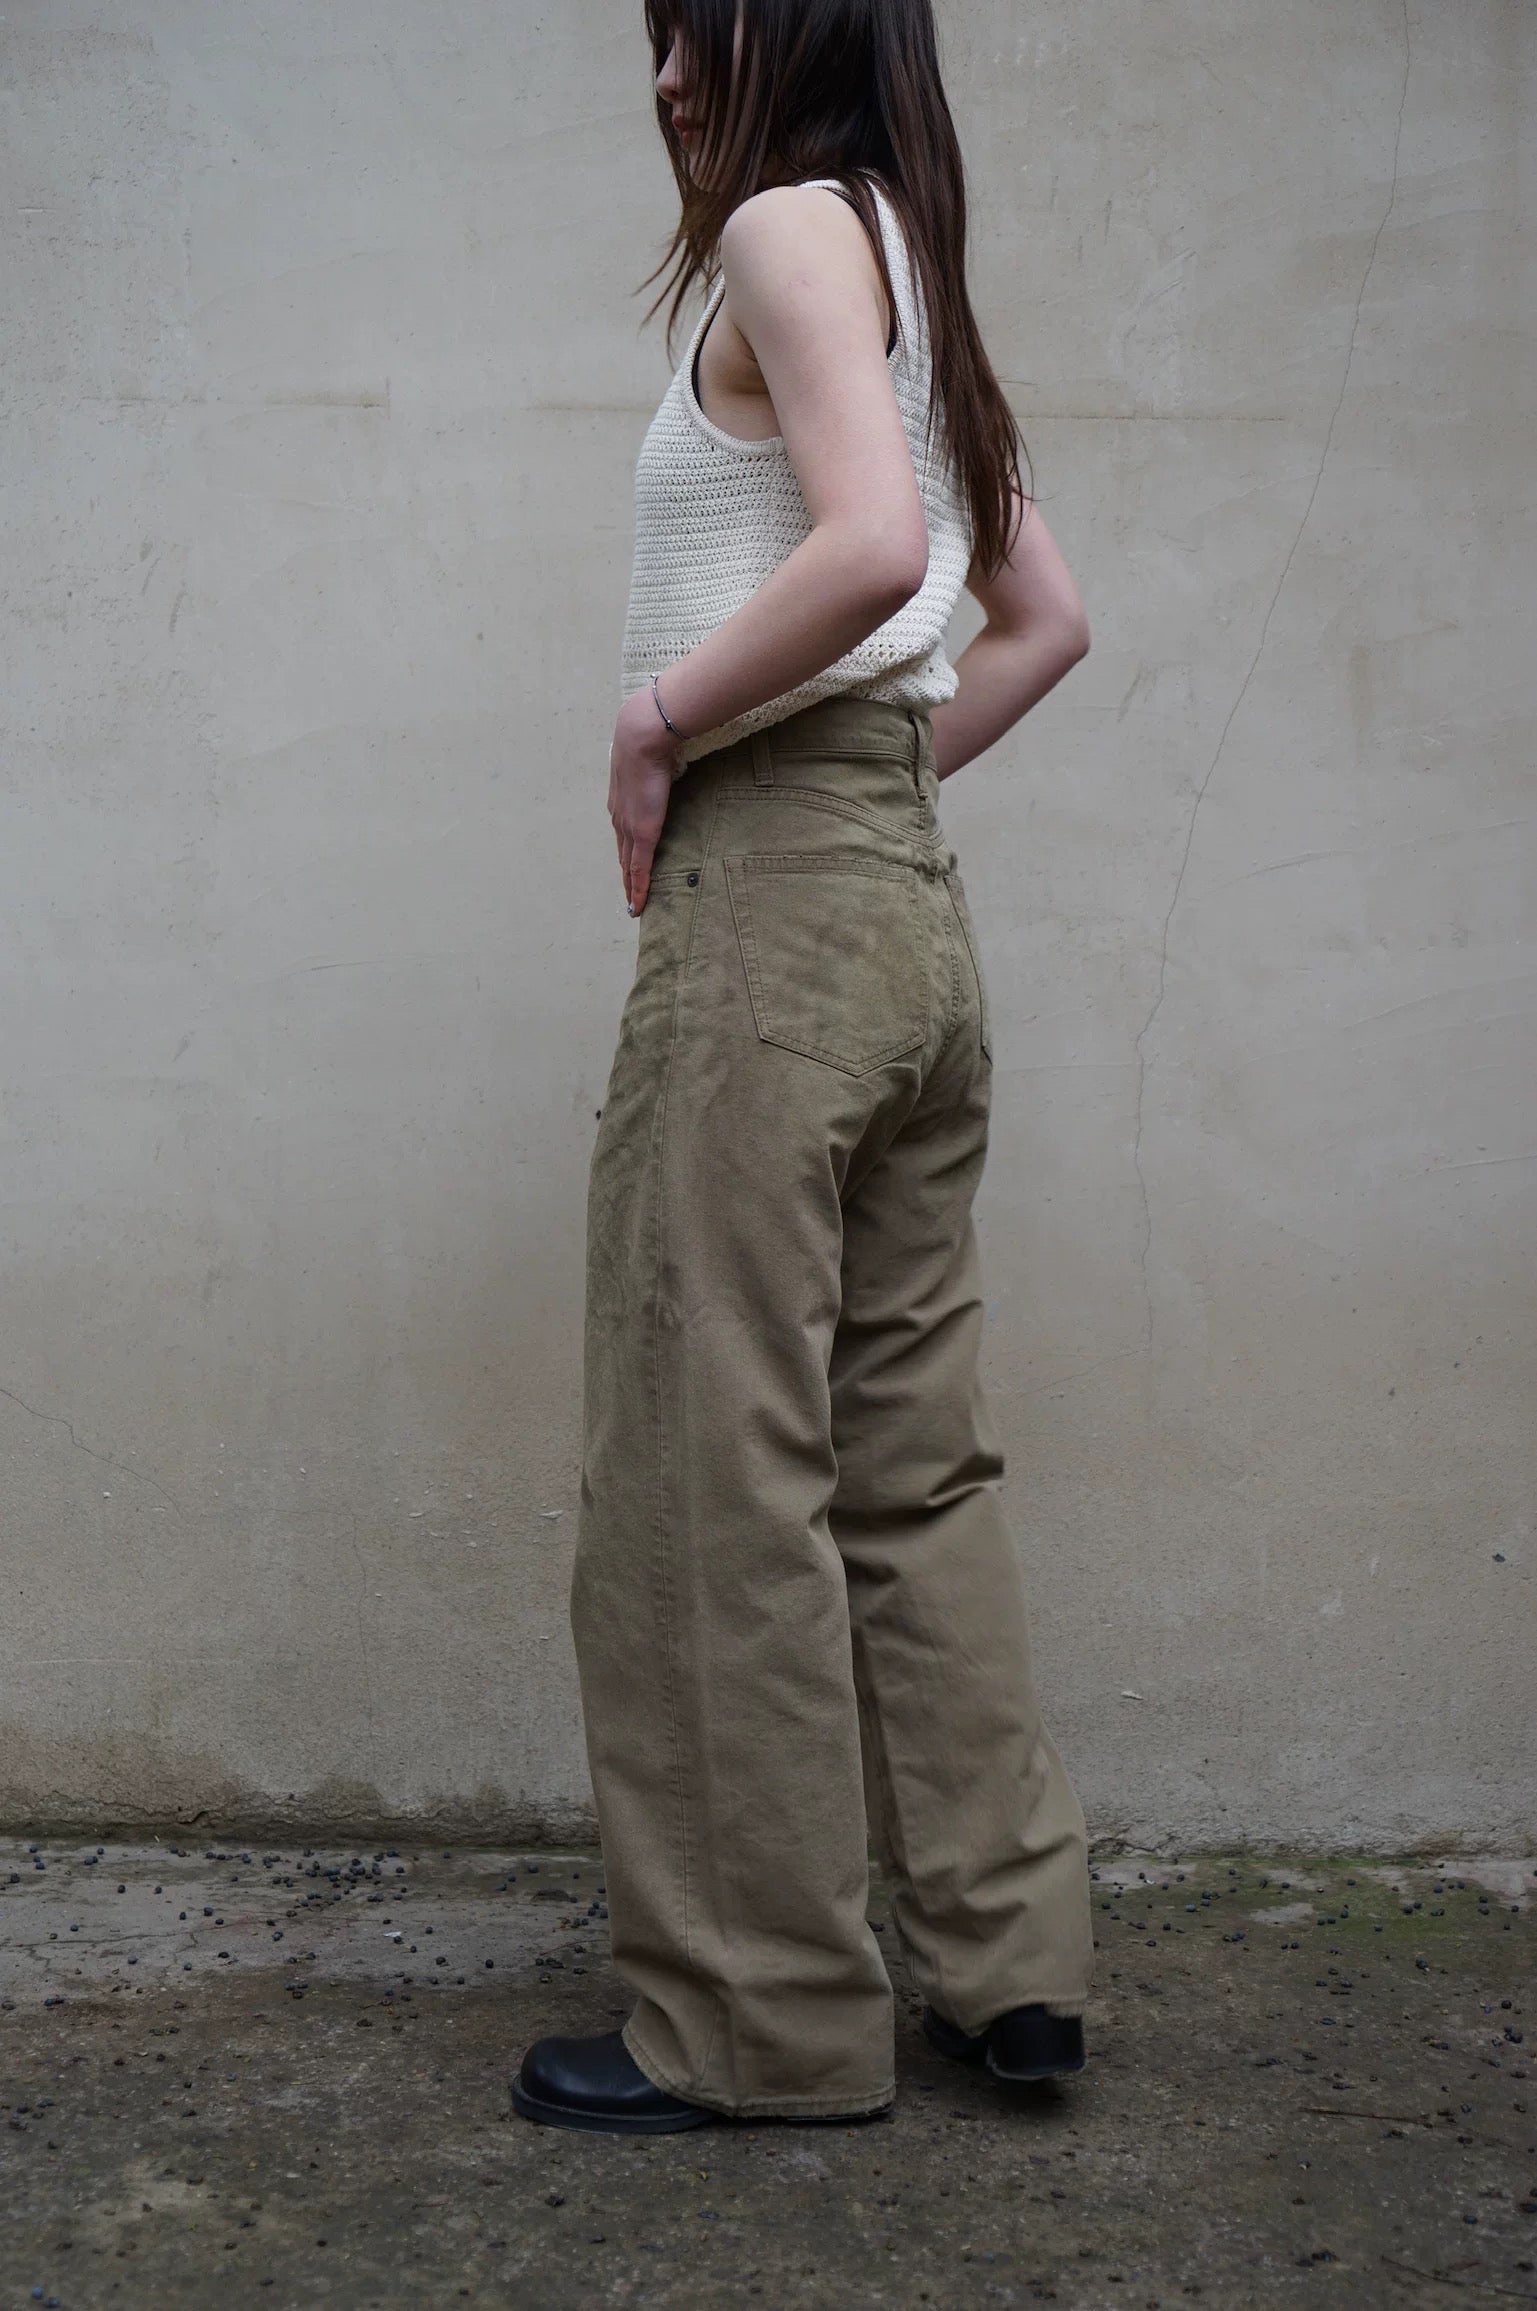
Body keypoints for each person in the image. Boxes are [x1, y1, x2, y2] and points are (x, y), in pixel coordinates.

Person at [512, 0, 1095, 2135]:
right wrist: (871, 791)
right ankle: (1010, 1969)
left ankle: (755, 2019)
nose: (669, 76)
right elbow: (1042, 619)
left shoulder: (783, 234)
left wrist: (661, 720)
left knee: (708, 1466)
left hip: (773, 915)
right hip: (907, 913)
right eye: (657, 37)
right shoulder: (910, 263)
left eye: (704, 28)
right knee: (908, 1463)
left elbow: (864, 549)